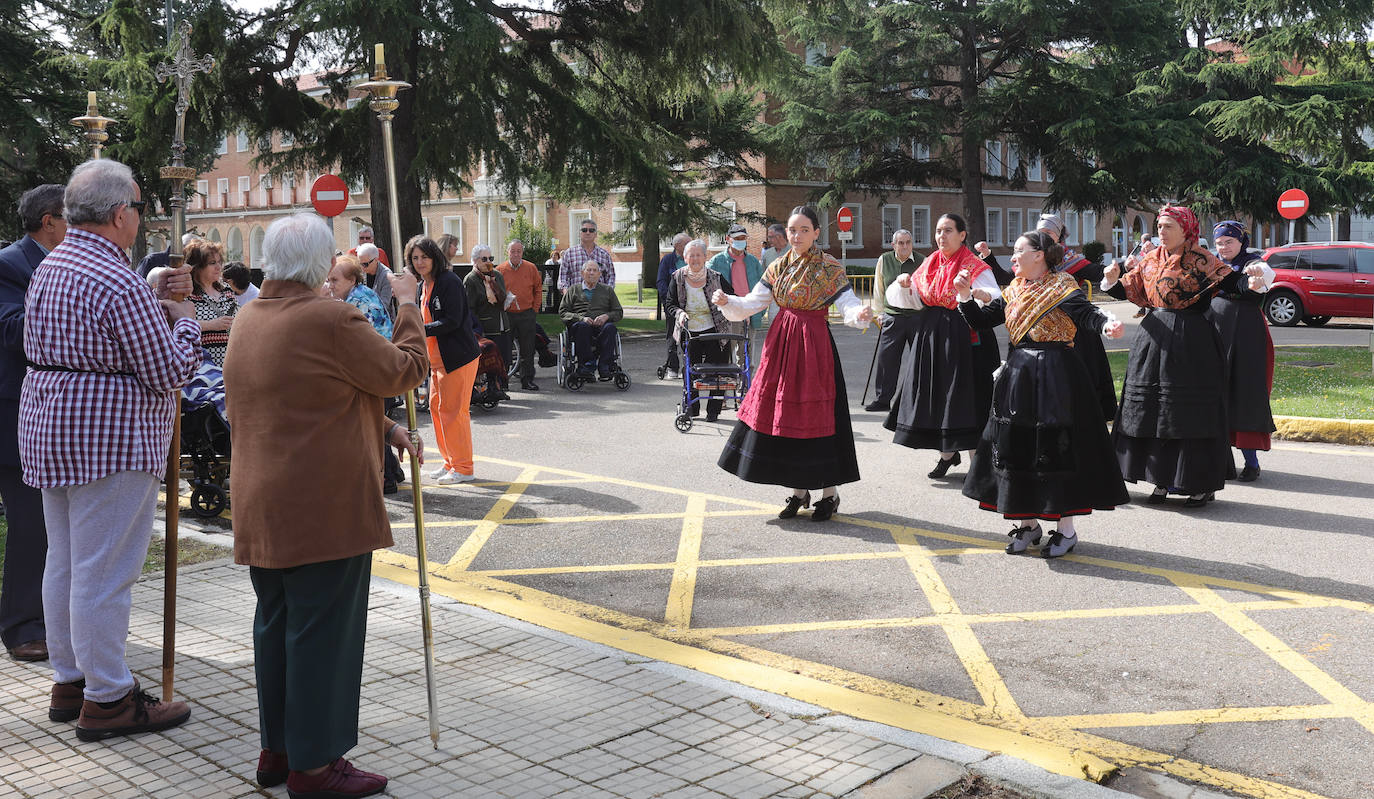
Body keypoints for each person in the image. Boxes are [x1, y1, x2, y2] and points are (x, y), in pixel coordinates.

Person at [225, 212, 426, 799]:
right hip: (324, 508)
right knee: (322, 635)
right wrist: (409, 303)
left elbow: (310, 395)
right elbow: (403, 370)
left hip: (264, 503)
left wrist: (384, 428)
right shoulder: (332, 318)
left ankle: (281, 748)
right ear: (318, 263)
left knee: (278, 626)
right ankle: (314, 767)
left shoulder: (248, 318)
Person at [21, 159, 199, 739]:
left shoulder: (55, 263)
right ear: (121, 213)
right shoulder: (115, 278)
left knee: (66, 561)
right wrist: (186, 318)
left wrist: (150, 300)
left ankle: (71, 678)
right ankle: (109, 696)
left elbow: (93, 332)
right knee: (104, 572)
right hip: (110, 437)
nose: (141, 219)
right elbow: (167, 369)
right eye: (140, 208)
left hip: (53, 424)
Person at [957, 231, 1129, 558]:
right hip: (1019, 375)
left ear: (1039, 255)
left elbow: (1086, 314)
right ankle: (1027, 524)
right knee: (1015, 449)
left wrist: (1107, 324)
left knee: (1057, 449)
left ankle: (1066, 530)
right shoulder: (1014, 290)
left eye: (1019, 250)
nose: (1013, 257)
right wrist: (965, 296)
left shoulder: (1062, 285)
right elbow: (981, 321)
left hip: (1057, 374)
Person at [714, 206, 873, 521]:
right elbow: (753, 303)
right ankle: (799, 492)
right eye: (792, 230)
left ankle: (830, 494)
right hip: (782, 348)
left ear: (816, 233)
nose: (796, 235)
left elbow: (847, 303)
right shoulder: (777, 267)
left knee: (818, 417)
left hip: (814, 348)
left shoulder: (829, 267)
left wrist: (860, 314)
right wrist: (728, 302)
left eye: (803, 230)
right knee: (783, 417)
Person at [1101, 205, 1267, 506]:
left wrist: (1253, 284)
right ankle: (1160, 478)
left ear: (1186, 229)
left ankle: (1199, 484)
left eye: (1168, 226)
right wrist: (1112, 280)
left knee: (1187, 412)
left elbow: (1234, 283)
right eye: (1160, 226)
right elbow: (1130, 290)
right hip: (1153, 339)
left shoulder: (1202, 260)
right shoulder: (1150, 259)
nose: (1161, 232)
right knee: (1151, 409)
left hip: (1192, 341)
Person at [884, 213, 1002, 478]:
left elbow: (995, 298)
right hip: (933, 335)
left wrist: (980, 295)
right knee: (938, 394)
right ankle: (947, 455)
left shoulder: (973, 265)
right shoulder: (930, 264)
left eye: (948, 230)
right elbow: (912, 299)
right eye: (938, 231)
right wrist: (903, 285)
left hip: (968, 335)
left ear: (962, 235)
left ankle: (978, 464)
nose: (941, 236)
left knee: (969, 397)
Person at [0, 183, 65, 662]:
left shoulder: (59, 265)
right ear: (49, 221)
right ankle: (22, 627)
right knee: (29, 522)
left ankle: (50, 617)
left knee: (50, 524)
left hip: (50, 415)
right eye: (72, 218)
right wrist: (61, 294)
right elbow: (11, 332)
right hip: (12, 413)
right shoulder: (9, 265)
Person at [979, 213, 1117, 421]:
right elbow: (1006, 280)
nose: (1044, 236)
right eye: (1041, 232)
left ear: (1059, 237)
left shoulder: (1069, 264)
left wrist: (1110, 275)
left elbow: (1094, 280)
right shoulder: (1022, 277)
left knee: (1066, 399)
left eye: (1049, 233)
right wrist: (988, 257)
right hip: (1029, 344)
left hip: (1070, 334)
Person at [409, 235, 482, 485]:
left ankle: (463, 467)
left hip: (457, 357)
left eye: (425, 257)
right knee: (437, 409)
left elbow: (453, 320)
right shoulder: (423, 285)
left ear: (434, 258)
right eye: (415, 258)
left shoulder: (449, 281)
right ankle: (450, 462)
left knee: (453, 412)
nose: (420, 262)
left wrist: (421, 329)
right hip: (437, 361)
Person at [1207, 220, 1276, 482]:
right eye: (1219, 242)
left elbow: (1265, 274)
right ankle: (1218, 460)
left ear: (1241, 242)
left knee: (1246, 393)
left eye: (1229, 242)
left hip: (1248, 335)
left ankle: (1251, 462)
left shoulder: (1253, 261)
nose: (1224, 247)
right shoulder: (1210, 263)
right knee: (1214, 393)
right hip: (1214, 330)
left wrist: (1258, 273)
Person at [664, 239, 739, 421]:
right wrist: (679, 312)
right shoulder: (678, 277)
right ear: (685, 257)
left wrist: (725, 300)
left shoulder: (716, 277)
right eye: (691, 255)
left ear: (705, 257)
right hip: (689, 330)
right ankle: (692, 407)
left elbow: (732, 297)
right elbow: (669, 303)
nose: (695, 259)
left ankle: (713, 411)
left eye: (699, 255)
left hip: (715, 329)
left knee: (716, 372)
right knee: (691, 370)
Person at [865, 228, 922, 413]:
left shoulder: (923, 261)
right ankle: (882, 400)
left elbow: (927, 289)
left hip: (917, 317)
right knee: (886, 360)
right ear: (893, 245)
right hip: (892, 316)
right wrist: (879, 313)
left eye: (908, 242)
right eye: (901, 243)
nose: (905, 246)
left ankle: (919, 400)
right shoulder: (884, 259)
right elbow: (878, 288)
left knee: (921, 360)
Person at [559, 260, 624, 379]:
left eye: (595, 270)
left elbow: (618, 312)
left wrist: (607, 316)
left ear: (599, 274)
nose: (592, 273)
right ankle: (587, 365)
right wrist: (581, 318)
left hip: (601, 327)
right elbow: (563, 312)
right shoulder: (573, 290)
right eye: (589, 270)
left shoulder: (607, 290)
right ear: (582, 273)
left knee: (610, 328)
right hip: (581, 328)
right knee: (582, 326)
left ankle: (605, 365)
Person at [463, 244, 511, 390]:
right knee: (491, 362)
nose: (488, 262)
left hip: (503, 323)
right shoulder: (470, 280)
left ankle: (500, 387)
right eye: (484, 259)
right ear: (475, 260)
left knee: (506, 358)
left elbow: (502, 296)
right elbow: (470, 309)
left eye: (491, 258)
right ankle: (492, 388)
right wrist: (476, 330)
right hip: (486, 326)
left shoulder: (497, 275)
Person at [497, 239, 542, 391]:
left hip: (526, 314)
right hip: (507, 315)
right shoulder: (500, 270)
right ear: (507, 252)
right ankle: (503, 382)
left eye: (519, 251)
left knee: (527, 349)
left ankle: (527, 380)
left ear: (522, 253)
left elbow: (538, 289)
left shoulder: (531, 268)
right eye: (513, 251)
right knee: (505, 349)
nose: (516, 254)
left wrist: (534, 309)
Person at [186, 239, 237, 367]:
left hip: (232, 364)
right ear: (198, 267)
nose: (218, 267)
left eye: (219, 262)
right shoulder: (188, 295)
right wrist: (211, 325)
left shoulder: (227, 290)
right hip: (204, 369)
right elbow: (182, 326)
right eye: (212, 263)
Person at [708, 223, 764, 329]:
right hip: (728, 312)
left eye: (743, 238)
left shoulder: (753, 261)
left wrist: (760, 312)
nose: (740, 241)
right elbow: (708, 286)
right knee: (729, 345)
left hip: (750, 311)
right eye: (737, 238)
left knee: (749, 345)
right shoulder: (716, 261)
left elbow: (763, 285)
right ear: (728, 239)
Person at [325, 255, 393, 339]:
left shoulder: (356, 300)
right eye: (328, 280)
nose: (330, 286)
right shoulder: (361, 292)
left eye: (334, 280)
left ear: (352, 280)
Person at [656, 233, 690, 379]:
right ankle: (673, 367)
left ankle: (688, 367)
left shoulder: (691, 259)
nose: (689, 246)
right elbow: (661, 282)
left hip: (690, 304)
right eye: (686, 243)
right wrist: (668, 300)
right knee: (672, 336)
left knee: (688, 336)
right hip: (672, 305)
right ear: (677, 246)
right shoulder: (667, 261)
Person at [555, 218, 614, 290]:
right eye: (584, 230)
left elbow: (611, 278)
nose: (588, 232)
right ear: (580, 233)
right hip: (576, 298)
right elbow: (562, 279)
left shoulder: (604, 255)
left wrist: (606, 295)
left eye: (591, 230)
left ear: (595, 234)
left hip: (599, 299)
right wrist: (567, 295)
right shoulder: (569, 254)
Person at [356, 242, 395, 320]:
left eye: (365, 264)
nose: (362, 267)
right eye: (359, 264)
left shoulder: (387, 276)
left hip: (383, 324)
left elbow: (384, 305)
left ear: (376, 260)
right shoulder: (361, 273)